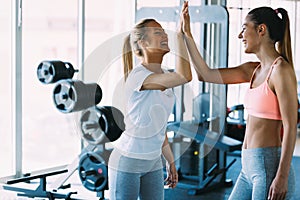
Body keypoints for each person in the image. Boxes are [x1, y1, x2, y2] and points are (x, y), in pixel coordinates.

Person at [181, 3, 297, 200]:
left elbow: (291, 127)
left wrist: (282, 177)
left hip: (268, 167)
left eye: (244, 28)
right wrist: (187, 34)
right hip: (248, 167)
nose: (240, 35)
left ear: (261, 30)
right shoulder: (253, 70)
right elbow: (204, 74)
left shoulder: (281, 71)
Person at [108, 4, 192, 200]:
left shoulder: (165, 75)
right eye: (157, 32)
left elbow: (158, 127)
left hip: (153, 161)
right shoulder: (139, 77)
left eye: (164, 32)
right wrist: (182, 35)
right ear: (143, 43)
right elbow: (185, 76)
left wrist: (170, 161)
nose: (165, 35)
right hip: (127, 160)